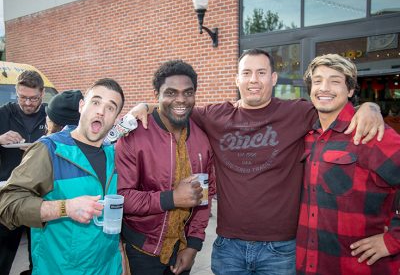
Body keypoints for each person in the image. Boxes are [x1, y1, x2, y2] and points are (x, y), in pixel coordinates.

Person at [129, 49, 384, 274]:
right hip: (228, 246)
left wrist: (369, 107)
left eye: (261, 73)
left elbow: (334, 106)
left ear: (273, 78)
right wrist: (143, 105)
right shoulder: (215, 116)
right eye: (247, 73)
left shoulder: (297, 112)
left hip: (281, 249)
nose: (253, 80)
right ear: (236, 79)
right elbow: (176, 104)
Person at [0, 78, 125, 275]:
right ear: (81, 106)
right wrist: (64, 208)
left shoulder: (115, 155)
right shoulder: (48, 149)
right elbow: (7, 204)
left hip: (108, 268)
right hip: (59, 269)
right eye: (96, 102)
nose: (101, 111)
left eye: (111, 107)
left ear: (116, 118)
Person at [296, 54, 400, 274]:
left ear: (350, 90)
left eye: (335, 81)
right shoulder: (306, 134)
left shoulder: (369, 133)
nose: (324, 88)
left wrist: (393, 240)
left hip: (358, 267)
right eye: (317, 81)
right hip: (310, 264)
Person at [115, 60, 216, 275]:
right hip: (141, 249)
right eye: (170, 92)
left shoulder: (202, 139)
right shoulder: (133, 137)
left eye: (188, 93)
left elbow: (204, 198)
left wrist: (193, 245)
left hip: (181, 249)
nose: (180, 99)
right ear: (156, 95)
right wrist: (171, 198)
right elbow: (122, 197)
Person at [0, 70, 46, 275]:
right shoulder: (3, 113)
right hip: (8, 195)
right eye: (22, 97)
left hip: (40, 195)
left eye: (33, 98)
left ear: (42, 94)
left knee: (39, 255)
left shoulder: (50, 114)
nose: (28, 103)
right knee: (3, 254)